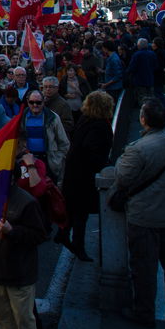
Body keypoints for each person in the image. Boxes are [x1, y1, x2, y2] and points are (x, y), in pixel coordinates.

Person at [112, 98, 165, 329]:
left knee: (144, 268)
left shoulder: (138, 148)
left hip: (143, 217)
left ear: (143, 119)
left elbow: (122, 177)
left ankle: (143, 311)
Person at [0, 173, 49, 329]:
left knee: (23, 320)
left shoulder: (26, 202)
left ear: (11, 178)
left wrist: (13, 231)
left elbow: (39, 235)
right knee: (3, 317)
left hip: (19, 273)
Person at [58, 90, 113, 261]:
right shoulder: (100, 125)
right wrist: (102, 165)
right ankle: (78, 246)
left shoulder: (85, 119)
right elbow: (92, 149)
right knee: (81, 212)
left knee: (73, 209)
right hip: (85, 175)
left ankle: (64, 234)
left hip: (74, 172)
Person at [17, 90, 69, 183]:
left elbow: (64, 142)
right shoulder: (22, 117)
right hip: (28, 159)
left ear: (43, 101)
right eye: (32, 102)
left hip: (47, 160)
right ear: (28, 101)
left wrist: (57, 159)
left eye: (38, 102)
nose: (35, 105)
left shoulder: (53, 118)